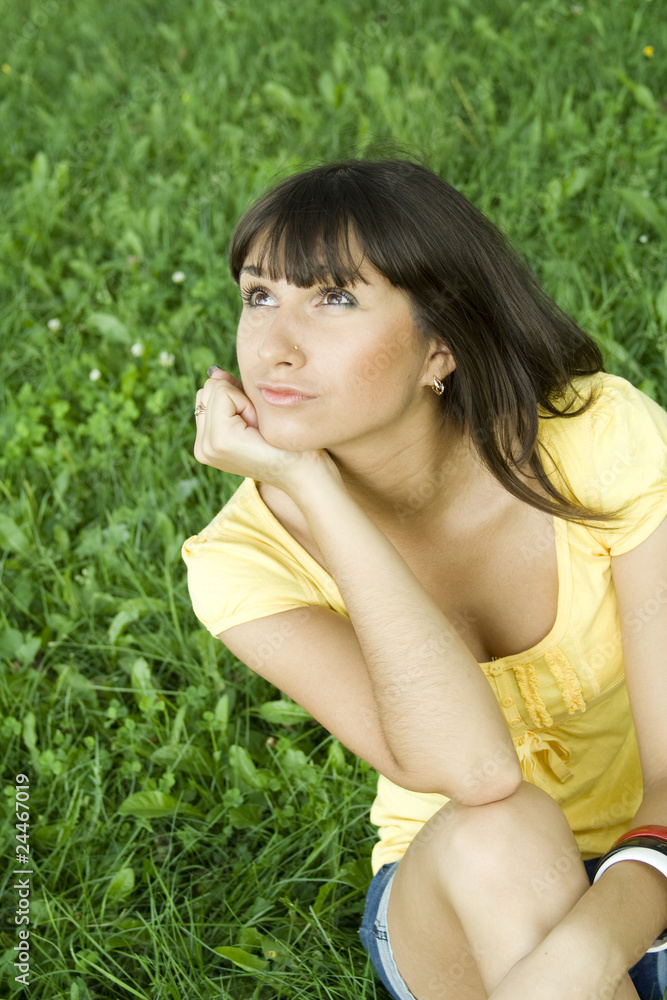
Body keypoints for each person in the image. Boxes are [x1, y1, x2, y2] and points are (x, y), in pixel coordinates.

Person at [181, 157, 667, 999]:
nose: (275, 346)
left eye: (333, 298)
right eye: (259, 295)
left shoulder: (594, 440)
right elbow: (474, 773)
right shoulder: (239, 562)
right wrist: (312, 489)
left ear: (439, 345)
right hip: (453, 900)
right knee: (500, 829)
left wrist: (584, 954)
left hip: (650, 865)